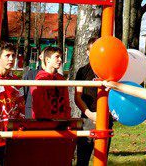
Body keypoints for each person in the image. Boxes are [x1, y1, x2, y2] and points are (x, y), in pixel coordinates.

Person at [74, 37, 113, 165]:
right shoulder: (83, 71)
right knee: (82, 158)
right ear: (87, 52)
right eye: (93, 50)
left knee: (102, 158)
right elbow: (77, 96)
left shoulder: (109, 70)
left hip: (106, 118)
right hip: (87, 118)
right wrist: (90, 115)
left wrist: (106, 115)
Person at [30, 46, 71, 120]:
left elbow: (66, 102)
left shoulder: (61, 79)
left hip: (61, 122)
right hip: (44, 123)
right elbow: (37, 105)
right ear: (47, 59)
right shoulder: (40, 79)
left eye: (61, 57)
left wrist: (67, 118)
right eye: (57, 57)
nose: (60, 60)